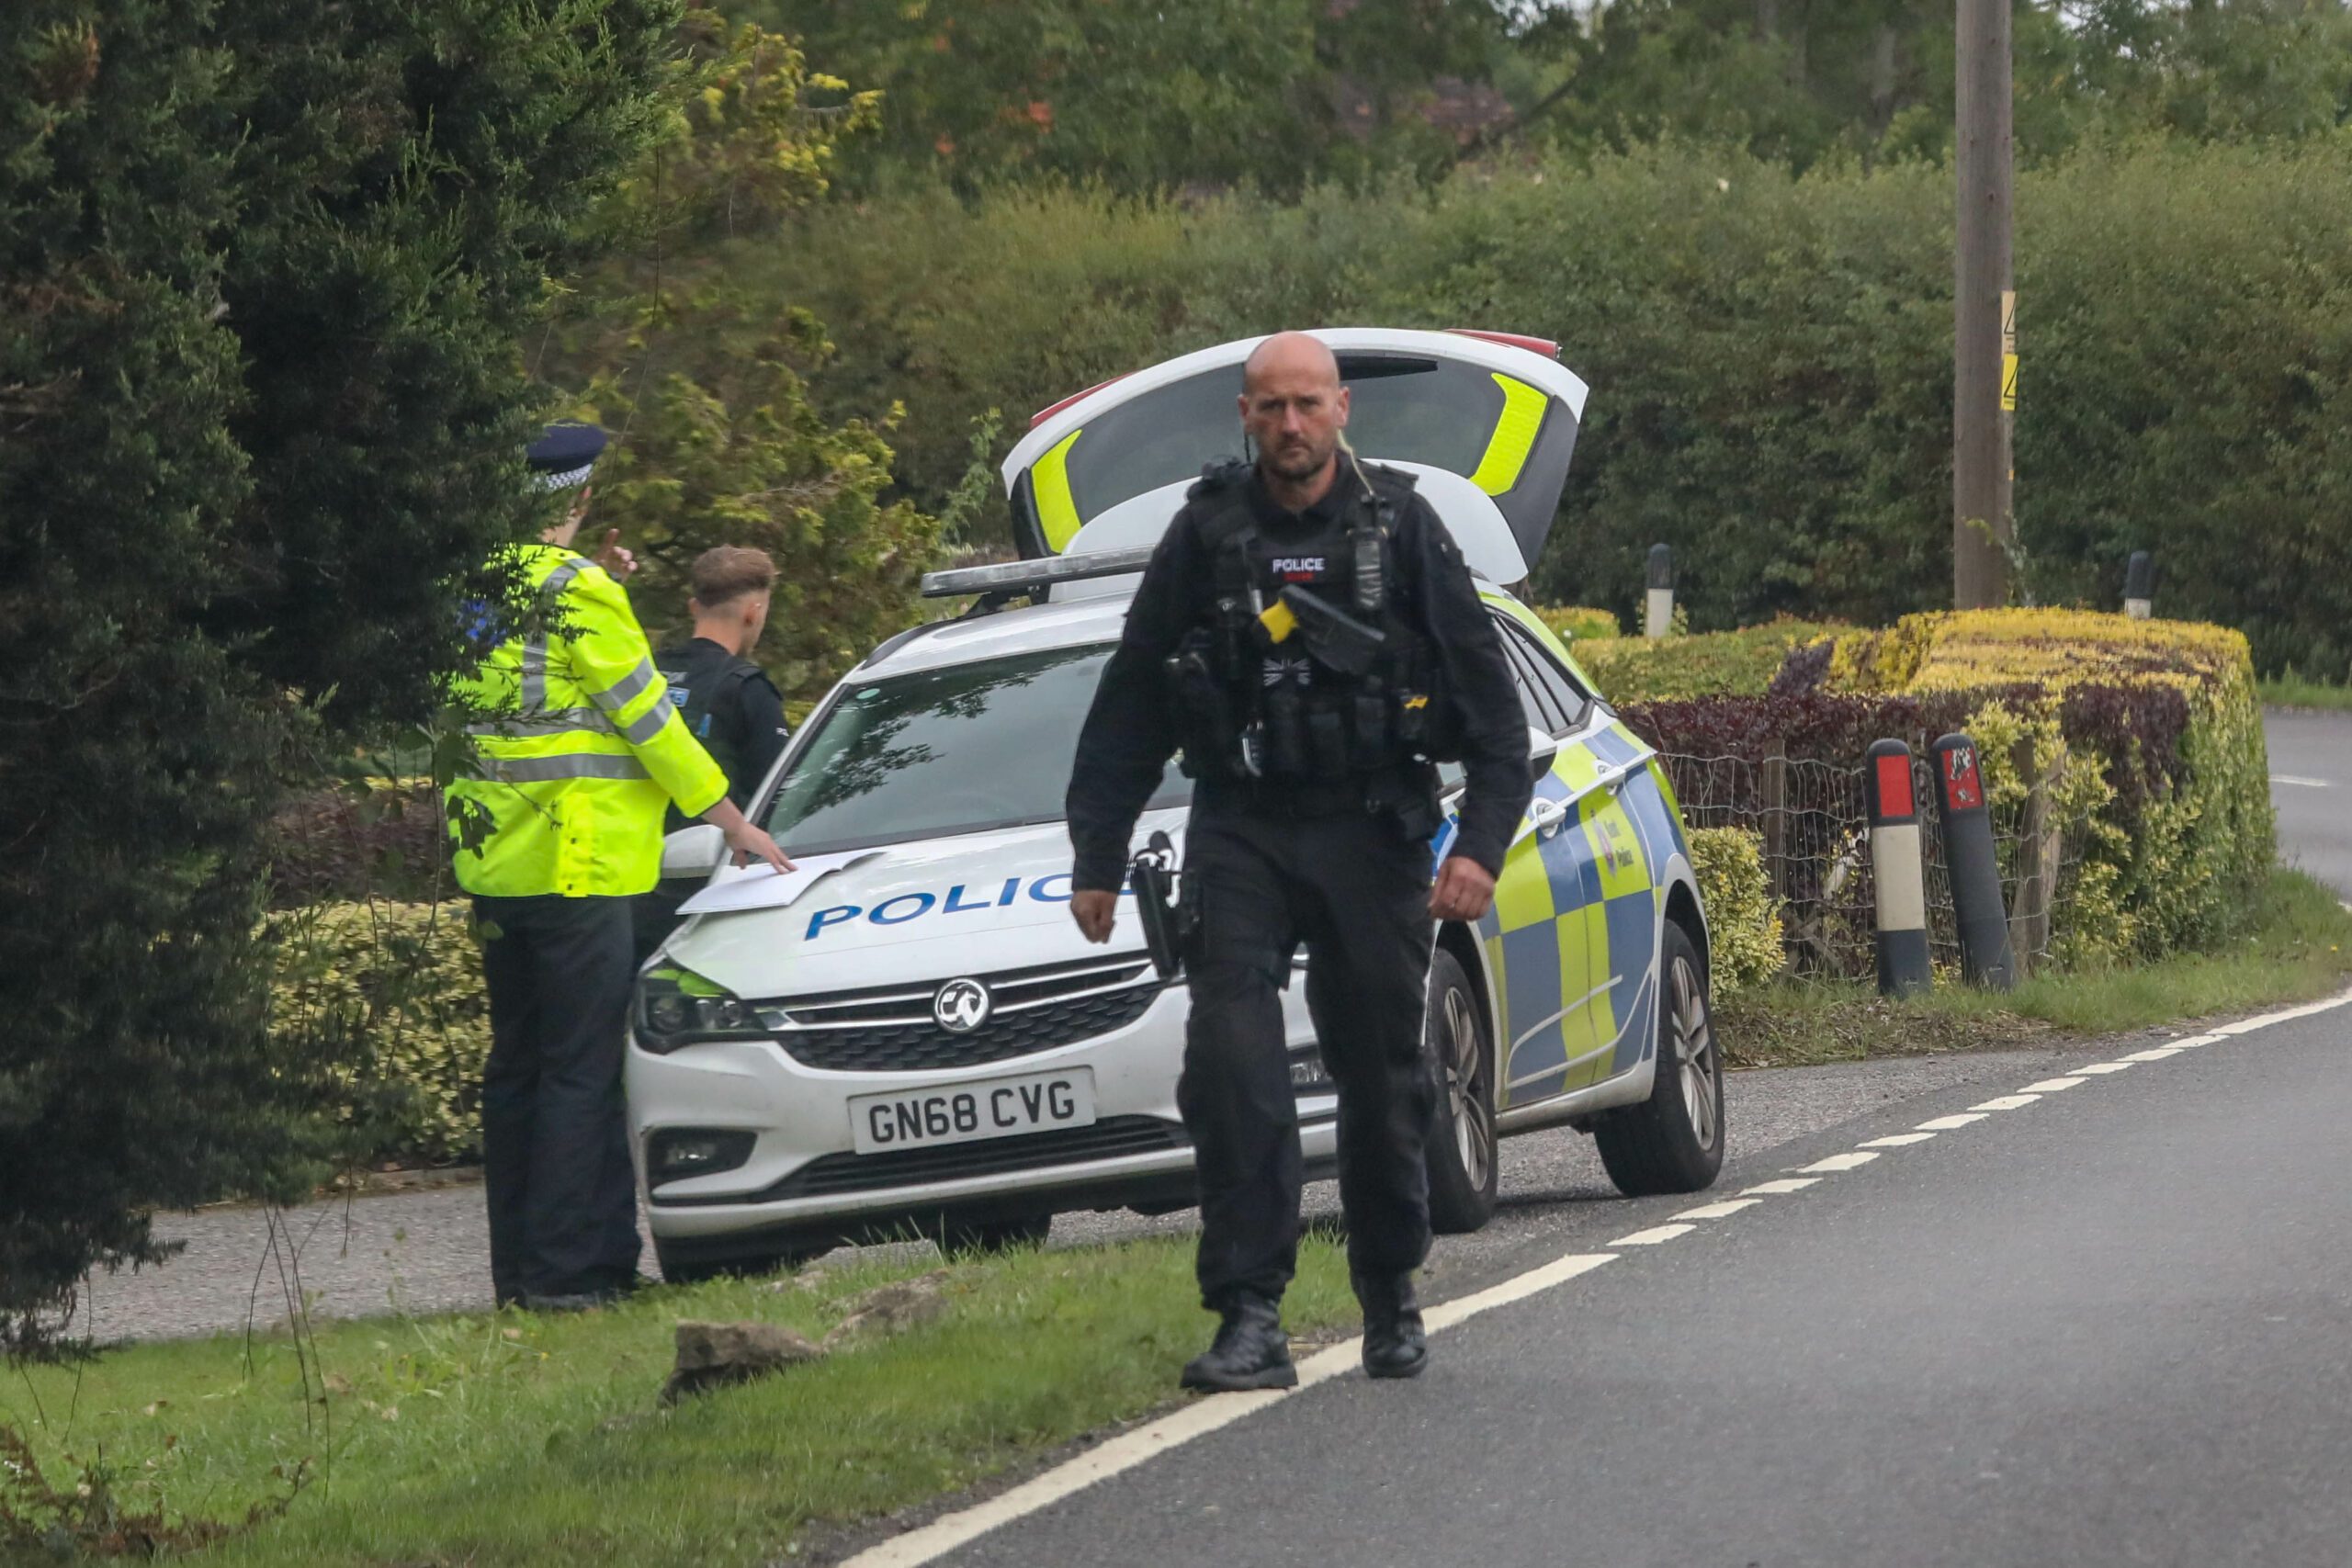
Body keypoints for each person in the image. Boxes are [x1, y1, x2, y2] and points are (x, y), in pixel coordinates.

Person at [1064, 333, 1532, 1389]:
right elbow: (1133, 696)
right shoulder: (1207, 531)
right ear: (1243, 413)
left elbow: (1496, 719)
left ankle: (1388, 1291)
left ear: (1340, 411)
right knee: (1230, 1064)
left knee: (1380, 1077)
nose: (1290, 426)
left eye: (1307, 405)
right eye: (1271, 407)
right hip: (1243, 827)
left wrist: (1480, 852)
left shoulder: (1402, 525)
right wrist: (1096, 854)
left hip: (1373, 832)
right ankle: (1250, 1315)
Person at [447, 421, 792, 1312]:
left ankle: (518, 1276)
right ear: (582, 498)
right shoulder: (582, 591)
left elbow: (529, 698)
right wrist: (731, 819)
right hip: (581, 866)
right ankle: (577, 1275)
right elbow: (646, 719)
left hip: (494, 867)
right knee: (580, 1070)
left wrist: (607, 592)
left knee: (516, 1070)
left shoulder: (468, 589)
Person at [632, 546, 793, 963]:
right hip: (706, 890)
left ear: (693, 606)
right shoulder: (747, 688)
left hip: (623, 884)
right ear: (753, 613)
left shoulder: (643, 673)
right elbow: (779, 798)